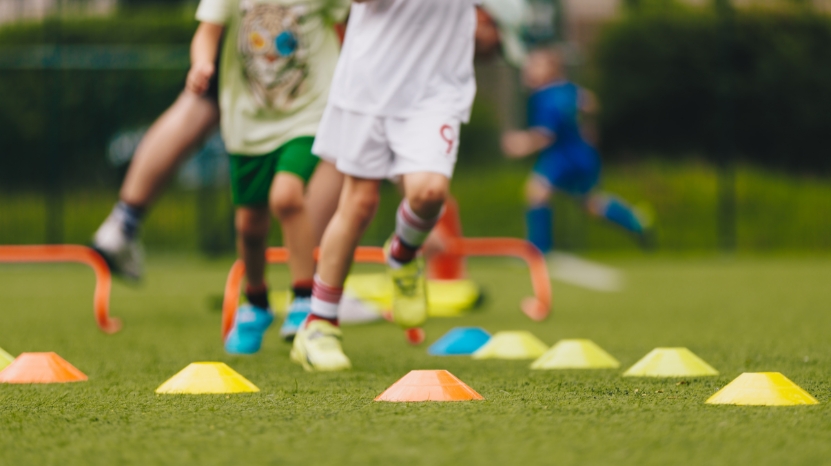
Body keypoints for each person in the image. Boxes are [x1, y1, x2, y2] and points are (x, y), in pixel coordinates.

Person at [289, 0, 479, 372]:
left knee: (429, 193)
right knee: (359, 204)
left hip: (436, 90)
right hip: (370, 86)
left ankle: (403, 253)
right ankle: (319, 325)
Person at [186, 0, 348, 353]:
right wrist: (202, 62)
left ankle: (304, 299)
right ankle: (256, 301)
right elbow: (207, 32)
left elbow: (357, 19)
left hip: (308, 114)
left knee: (287, 196)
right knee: (249, 226)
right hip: (249, 123)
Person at [501, 48, 652, 254]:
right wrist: (587, 125)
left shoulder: (545, 97)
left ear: (551, 70)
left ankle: (538, 250)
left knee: (536, 192)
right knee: (592, 204)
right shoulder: (568, 89)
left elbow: (545, 136)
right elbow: (590, 102)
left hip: (561, 157)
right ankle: (634, 220)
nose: (528, 70)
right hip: (583, 155)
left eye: (535, 65)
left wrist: (521, 144)